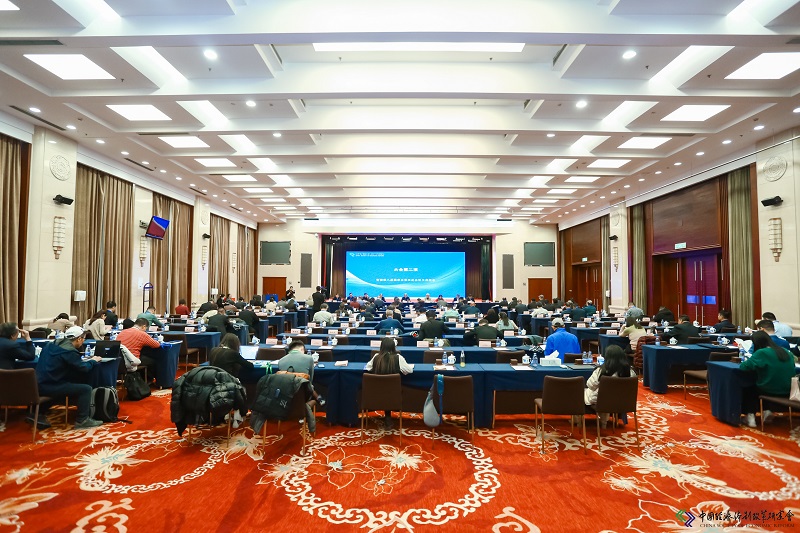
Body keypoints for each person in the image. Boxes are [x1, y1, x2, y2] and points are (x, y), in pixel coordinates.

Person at [36, 326, 104, 429]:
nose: (83, 341)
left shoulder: (51, 344)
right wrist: (93, 361)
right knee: (86, 389)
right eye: (83, 338)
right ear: (79, 339)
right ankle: (82, 420)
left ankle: (39, 411)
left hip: (38, 383)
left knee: (70, 383)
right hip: (50, 385)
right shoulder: (69, 351)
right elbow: (84, 368)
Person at [740, 330, 797, 428]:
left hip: (769, 390)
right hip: (789, 390)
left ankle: (750, 417)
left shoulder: (761, 353)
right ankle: (767, 411)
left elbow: (744, 367)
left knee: (749, 386)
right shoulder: (785, 351)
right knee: (768, 381)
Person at [365, 337, 413, 428]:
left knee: (383, 391)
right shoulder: (398, 358)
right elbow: (409, 370)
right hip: (394, 394)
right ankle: (388, 417)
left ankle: (387, 416)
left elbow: (367, 367)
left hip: (376, 393)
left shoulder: (376, 357)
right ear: (393, 347)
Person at [583, 345, 636, 427]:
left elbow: (590, 385)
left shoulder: (601, 371)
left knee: (581, 393)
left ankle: (577, 421)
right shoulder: (631, 372)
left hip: (601, 401)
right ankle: (604, 420)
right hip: (623, 402)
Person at [278, 340, 316, 432]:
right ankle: (316, 402)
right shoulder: (309, 359)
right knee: (312, 389)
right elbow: (310, 380)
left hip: (285, 397)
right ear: (302, 349)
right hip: (303, 396)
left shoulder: (281, 361)